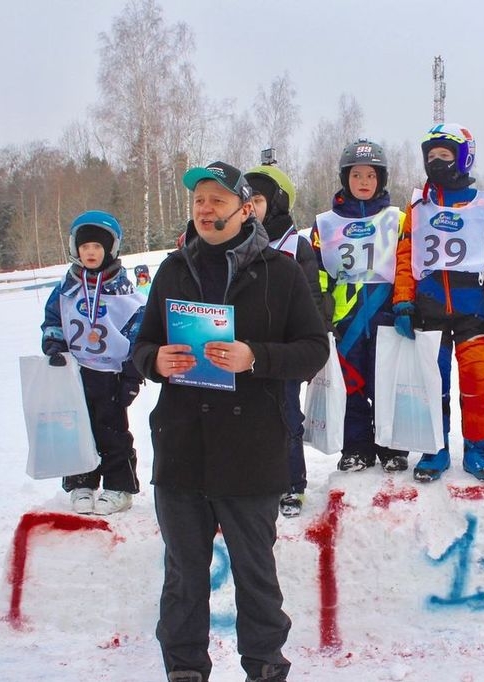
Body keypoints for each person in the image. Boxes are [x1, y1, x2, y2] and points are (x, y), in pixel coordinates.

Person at [132, 161, 329, 682]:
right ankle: (185, 668)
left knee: (256, 574)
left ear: (245, 209)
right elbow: (141, 345)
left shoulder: (280, 271)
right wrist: (155, 361)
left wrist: (255, 357)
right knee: (183, 576)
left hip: (251, 449)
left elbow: (313, 349)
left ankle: (265, 666)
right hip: (182, 448)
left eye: (217, 200)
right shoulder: (173, 269)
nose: (205, 209)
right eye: (199, 200)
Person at [392, 123, 484, 482]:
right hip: (429, 309)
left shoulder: (483, 207)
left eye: (445, 156)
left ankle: (477, 448)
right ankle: (435, 448)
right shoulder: (418, 206)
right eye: (431, 156)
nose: (437, 162)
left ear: (463, 158)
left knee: (478, 380)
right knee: (433, 383)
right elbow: (405, 254)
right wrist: (403, 301)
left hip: (472, 308)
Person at [312, 139, 409, 474]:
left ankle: (392, 446)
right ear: (345, 179)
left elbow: (409, 264)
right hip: (346, 319)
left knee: (385, 382)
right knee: (350, 384)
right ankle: (356, 446)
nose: (364, 182)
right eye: (356, 175)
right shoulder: (326, 223)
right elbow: (319, 273)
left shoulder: (398, 219)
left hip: (386, 314)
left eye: (371, 175)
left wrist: (408, 305)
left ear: (381, 179)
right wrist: (321, 315)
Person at [40, 210, 145, 515]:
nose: (90, 252)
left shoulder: (124, 291)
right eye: (85, 247)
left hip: (110, 372)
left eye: (97, 247)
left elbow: (141, 333)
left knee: (112, 429)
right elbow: (53, 319)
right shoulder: (66, 289)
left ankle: (119, 486)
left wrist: (131, 374)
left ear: (110, 249)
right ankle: (81, 482)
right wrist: (54, 345)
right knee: (77, 429)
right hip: (75, 372)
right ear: (75, 248)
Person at [245, 161, 323, 518]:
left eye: (258, 200)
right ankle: (257, 479)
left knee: (288, 417)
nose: (251, 208)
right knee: (250, 419)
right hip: (246, 353)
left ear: (277, 202)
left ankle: (293, 483)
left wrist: (309, 346)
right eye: (245, 200)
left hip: (286, 353)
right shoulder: (238, 244)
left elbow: (313, 295)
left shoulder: (297, 245)